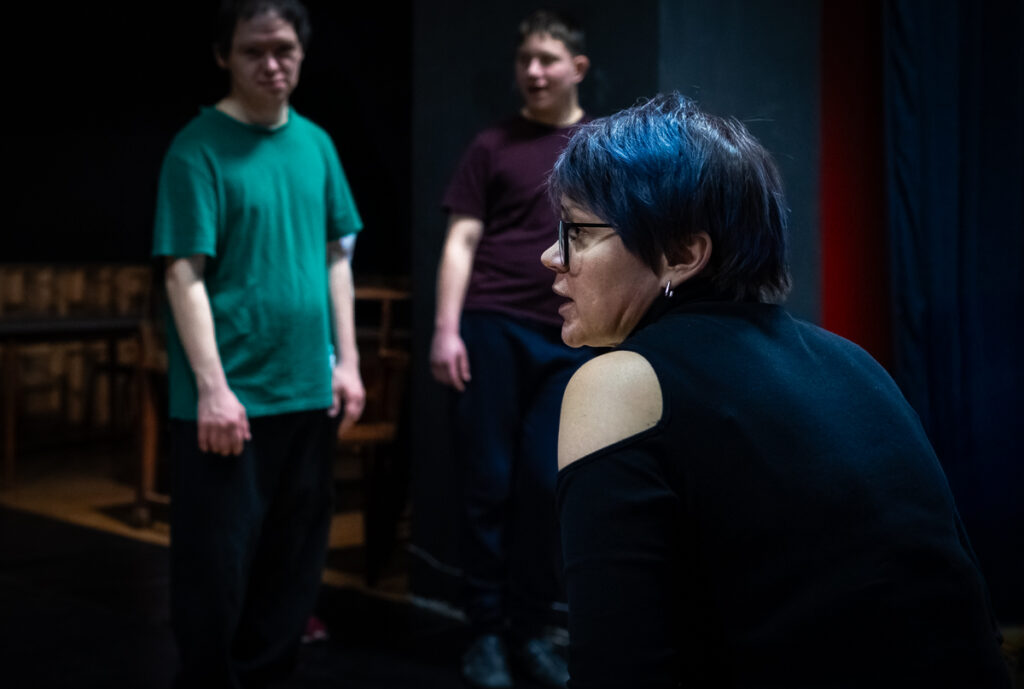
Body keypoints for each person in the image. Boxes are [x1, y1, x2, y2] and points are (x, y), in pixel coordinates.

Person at [541, 93, 1013, 688]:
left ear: (682, 253)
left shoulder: (621, 381)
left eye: (578, 232)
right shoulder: (856, 362)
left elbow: (616, 669)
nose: (551, 256)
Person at [151, 1, 365, 686]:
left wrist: (347, 362)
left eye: (284, 50)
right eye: (253, 50)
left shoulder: (317, 144)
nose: (272, 64)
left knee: (291, 567)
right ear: (224, 56)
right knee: (214, 574)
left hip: (306, 388)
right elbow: (183, 274)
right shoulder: (197, 147)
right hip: (230, 401)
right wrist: (212, 389)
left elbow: (336, 257)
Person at [430, 10, 592, 689]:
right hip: (491, 326)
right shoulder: (491, 145)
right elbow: (462, 240)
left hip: (569, 336)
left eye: (547, 59)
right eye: (525, 59)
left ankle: (531, 629)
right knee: (487, 484)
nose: (533, 71)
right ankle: (486, 634)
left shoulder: (598, 146)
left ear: (576, 68)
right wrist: (446, 329)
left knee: (545, 484)